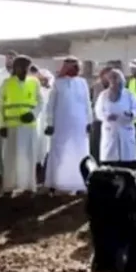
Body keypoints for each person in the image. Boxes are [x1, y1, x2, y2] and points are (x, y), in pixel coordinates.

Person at [44, 57, 92, 194]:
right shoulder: (58, 83)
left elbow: (87, 103)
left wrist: (89, 121)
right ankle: (56, 183)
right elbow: (50, 105)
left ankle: (79, 183)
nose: (75, 69)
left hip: (80, 124)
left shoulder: (82, 82)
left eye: (76, 66)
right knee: (60, 152)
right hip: (61, 124)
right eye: (71, 66)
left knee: (79, 152)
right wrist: (50, 123)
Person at [0, 56, 43, 195]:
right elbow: (0, 106)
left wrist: (33, 114)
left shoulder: (34, 82)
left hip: (29, 126)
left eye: (26, 68)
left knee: (29, 156)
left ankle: (28, 186)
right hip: (11, 126)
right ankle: (9, 186)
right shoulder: (7, 83)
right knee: (11, 157)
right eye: (21, 67)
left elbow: (40, 101)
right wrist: (1, 125)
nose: (24, 70)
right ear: (15, 68)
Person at [95, 69, 136, 168]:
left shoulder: (130, 95)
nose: (114, 81)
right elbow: (98, 111)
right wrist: (107, 116)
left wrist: (131, 114)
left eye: (116, 78)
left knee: (127, 160)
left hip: (126, 129)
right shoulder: (103, 95)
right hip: (110, 130)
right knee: (110, 161)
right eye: (111, 78)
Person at [30, 65, 54, 174]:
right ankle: (37, 164)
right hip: (37, 117)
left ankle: (44, 165)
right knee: (37, 141)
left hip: (47, 117)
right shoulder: (33, 84)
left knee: (46, 143)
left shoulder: (50, 84)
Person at [89, 65, 114, 160]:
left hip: (111, 122)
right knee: (96, 143)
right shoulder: (95, 87)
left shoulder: (116, 87)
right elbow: (89, 101)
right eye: (107, 75)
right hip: (97, 120)